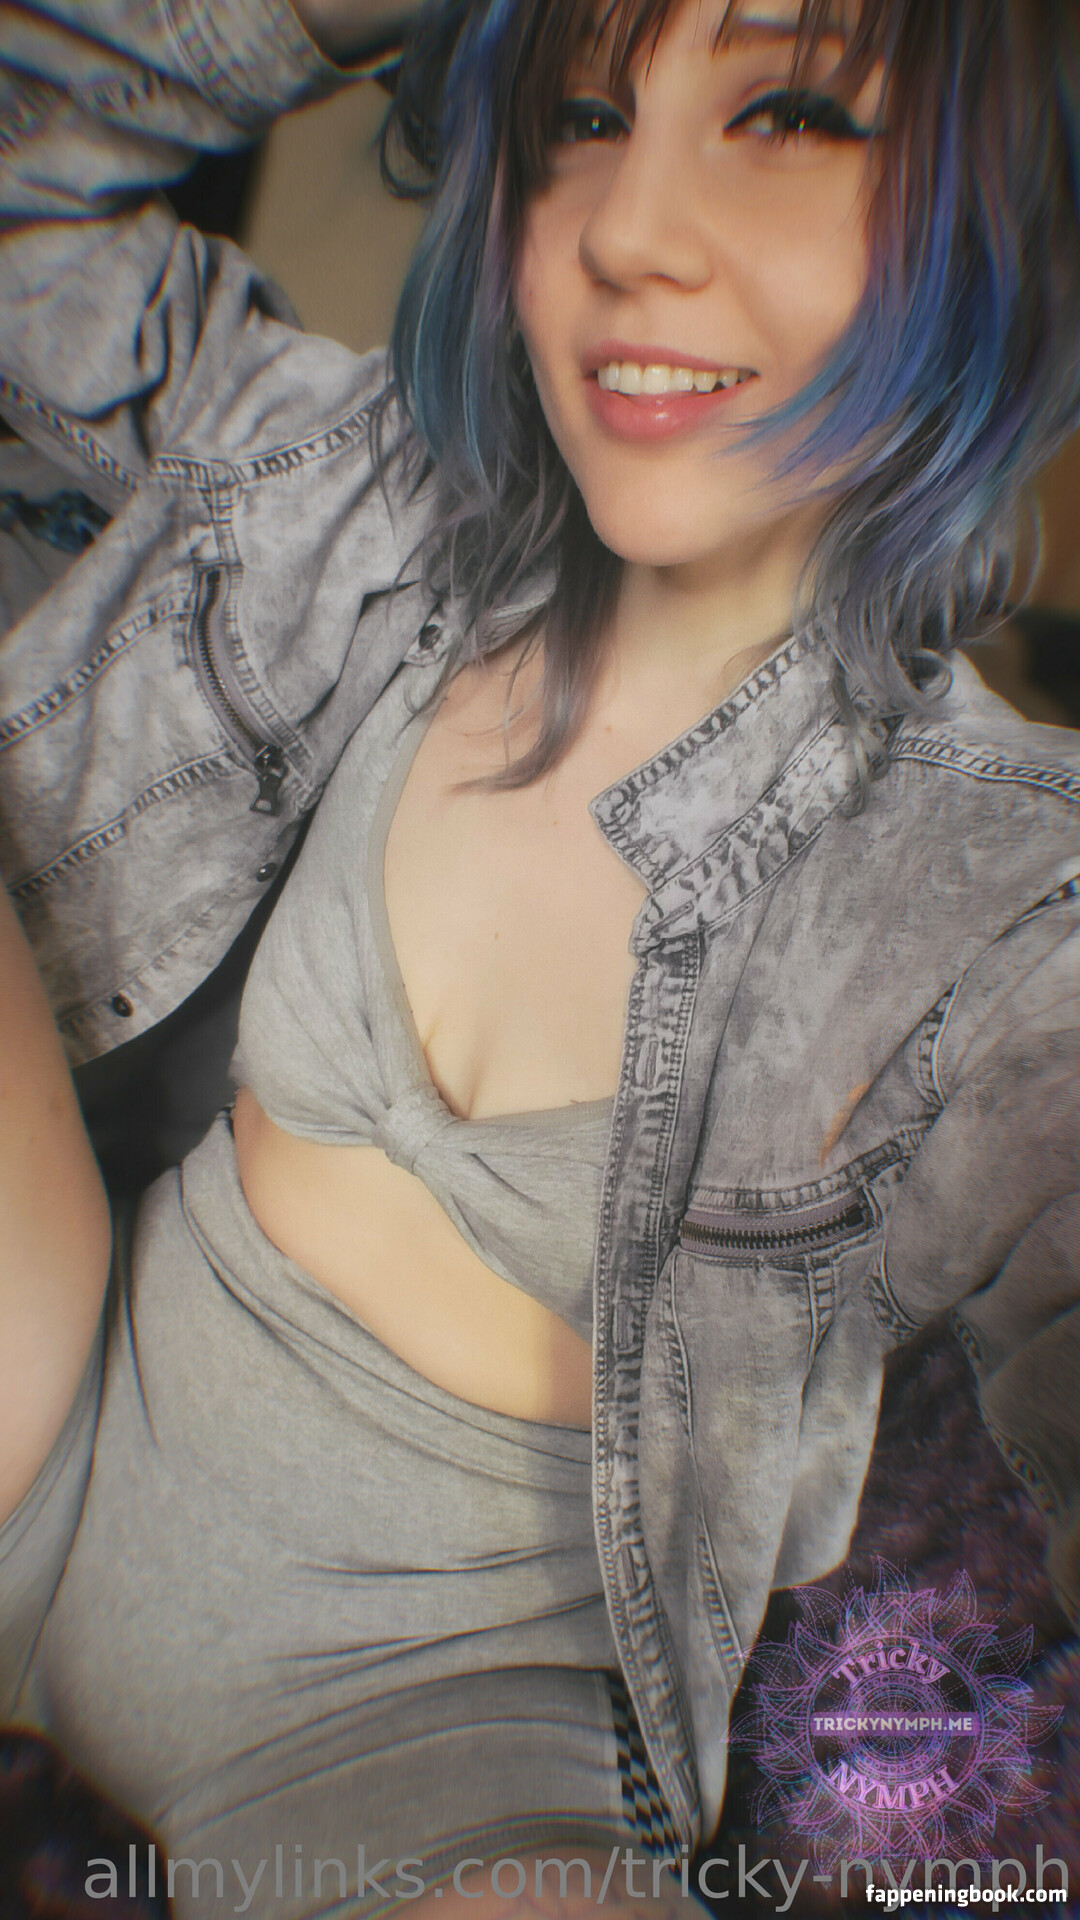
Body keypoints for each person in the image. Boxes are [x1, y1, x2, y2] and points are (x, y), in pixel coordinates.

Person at [1, 0, 1079, 1911]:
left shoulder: (997, 885)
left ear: (1003, 206)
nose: (625, 230)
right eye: (583, 115)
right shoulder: (366, 500)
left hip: (426, 1800)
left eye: (790, 113)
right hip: (38, 1442)